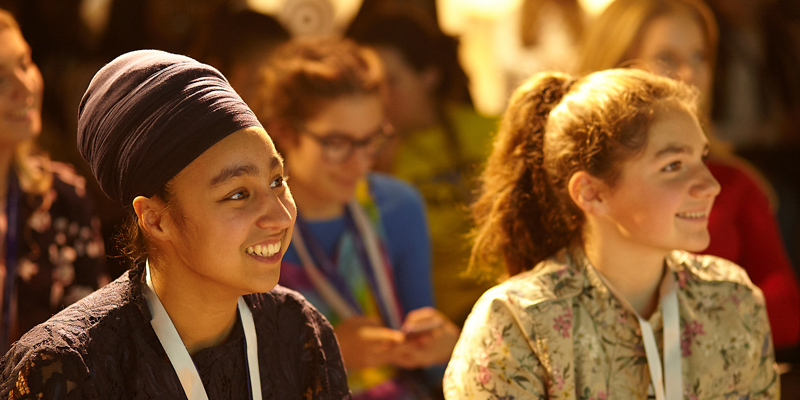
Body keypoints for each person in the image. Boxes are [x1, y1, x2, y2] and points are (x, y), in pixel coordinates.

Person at [0, 49, 350, 399]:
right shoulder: (68, 368)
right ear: (156, 219)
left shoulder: (299, 334)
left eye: (277, 181)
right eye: (238, 194)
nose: (281, 215)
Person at [444, 69, 778, 398]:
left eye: (702, 158)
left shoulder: (732, 299)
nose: (710, 185)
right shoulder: (518, 321)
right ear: (591, 193)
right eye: (673, 165)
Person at [575, 0, 800, 351]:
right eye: (666, 58)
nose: (690, 74)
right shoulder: (578, 182)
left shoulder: (735, 183)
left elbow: (787, 314)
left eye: (700, 57)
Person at [253, 36, 459, 399]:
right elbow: (240, 370)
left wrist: (444, 346)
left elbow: (429, 361)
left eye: (370, 140)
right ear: (284, 133)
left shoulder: (399, 206)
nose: (359, 163)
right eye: (336, 143)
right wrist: (328, 353)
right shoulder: (255, 224)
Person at [347, 5, 498, 327]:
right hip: (432, 321)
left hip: (507, 294)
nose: (381, 98)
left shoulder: (492, 131)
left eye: (391, 82)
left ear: (429, 76)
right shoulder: (362, 159)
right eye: (370, 87)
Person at [0, 8, 106, 354]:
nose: (24, 86)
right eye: (0, 78)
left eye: (25, 63)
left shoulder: (63, 197)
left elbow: (93, 343)